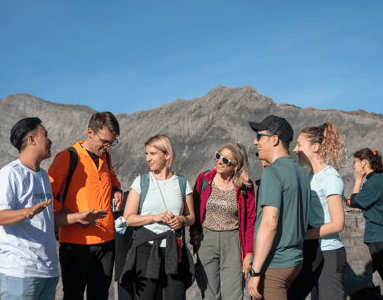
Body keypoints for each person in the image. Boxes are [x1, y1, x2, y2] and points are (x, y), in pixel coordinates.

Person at [0, 117, 107, 300]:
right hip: (20, 273)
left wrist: (77, 217)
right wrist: (25, 212)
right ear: (32, 139)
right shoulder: (10, 173)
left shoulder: (43, 176)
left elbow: (46, 217)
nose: (50, 141)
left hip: (47, 271)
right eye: (45, 135)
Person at [48, 112, 124, 300]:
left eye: (111, 143)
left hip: (106, 241)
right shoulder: (67, 158)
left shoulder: (106, 157)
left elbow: (112, 177)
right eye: (105, 141)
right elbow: (47, 198)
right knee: (73, 296)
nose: (107, 147)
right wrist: (74, 216)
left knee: (100, 296)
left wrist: (116, 189)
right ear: (90, 132)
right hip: (75, 244)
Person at [120, 135, 195, 300]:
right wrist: (155, 217)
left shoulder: (182, 183)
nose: (148, 158)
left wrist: (181, 220)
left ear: (167, 155)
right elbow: (128, 218)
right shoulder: (141, 182)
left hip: (174, 251)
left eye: (153, 154)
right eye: (146, 154)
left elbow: (191, 218)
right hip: (145, 250)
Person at [247, 115, 311, 300]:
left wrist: (255, 271)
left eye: (259, 136)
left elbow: (269, 223)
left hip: (274, 264)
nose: (255, 141)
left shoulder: (272, 172)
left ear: (274, 139)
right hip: (295, 260)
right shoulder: (300, 171)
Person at [190, 143, 256, 300]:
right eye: (218, 156)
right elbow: (194, 205)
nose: (219, 161)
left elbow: (250, 220)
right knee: (209, 293)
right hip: (206, 239)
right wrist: (194, 234)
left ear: (236, 165)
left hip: (233, 240)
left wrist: (248, 253)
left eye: (225, 160)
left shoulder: (246, 186)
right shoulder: (204, 179)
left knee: (233, 294)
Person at [289, 122, 346, 300]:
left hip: (329, 252)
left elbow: (337, 224)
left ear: (315, 147)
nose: (295, 150)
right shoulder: (312, 176)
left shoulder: (330, 178)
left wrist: (303, 235)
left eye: (299, 144)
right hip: (314, 250)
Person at [346, 148, 383, 300]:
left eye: (356, 163)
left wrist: (358, 179)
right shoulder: (380, 180)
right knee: (381, 282)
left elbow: (354, 201)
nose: (354, 167)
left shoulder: (373, 182)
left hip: (380, 238)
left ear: (364, 163)